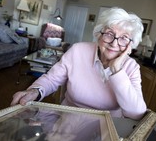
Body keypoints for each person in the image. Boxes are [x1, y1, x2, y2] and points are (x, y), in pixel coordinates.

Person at [11, 7, 147, 120]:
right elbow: (52, 79)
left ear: (131, 44)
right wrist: (34, 91)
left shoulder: (131, 67)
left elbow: (136, 113)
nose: (114, 43)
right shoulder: (78, 50)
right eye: (109, 34)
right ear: (99, 34)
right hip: (67, 123)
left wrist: (117, 71)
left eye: (124, 38)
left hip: (105, 130)